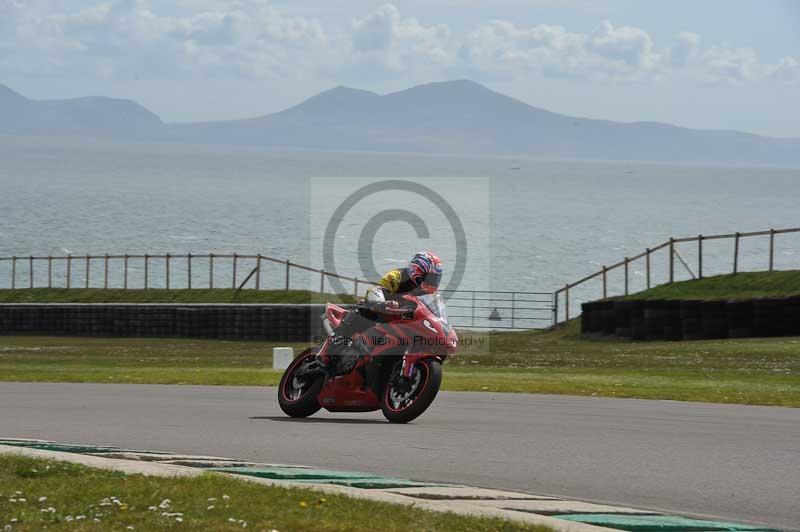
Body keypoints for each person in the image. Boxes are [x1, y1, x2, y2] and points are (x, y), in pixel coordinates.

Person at [325, 251, 444, 374]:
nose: (433, 283)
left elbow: (432, 311)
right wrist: (381, 303)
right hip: (378, 312)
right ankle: (329, 352)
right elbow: (376, 290)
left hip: (399, 321)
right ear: (417, 272)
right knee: (364, 312)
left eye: (435, 279)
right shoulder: (397, 276)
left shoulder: (428, 294)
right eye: (430, 278)